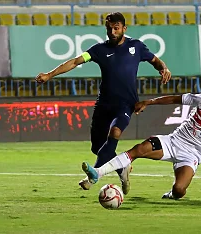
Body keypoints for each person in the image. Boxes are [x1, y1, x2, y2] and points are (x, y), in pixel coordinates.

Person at [35, 12, 171, 195]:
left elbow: (155, 60)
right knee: (97, 147)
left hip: (126, 103)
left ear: (124, 28)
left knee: (114, 133)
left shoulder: (136, 46)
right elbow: (76, 61)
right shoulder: (99, 50)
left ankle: (93, 177)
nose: (112, 32)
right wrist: (50, 74)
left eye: (116, 28)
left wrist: (164, 68)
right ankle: (122, 168)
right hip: (103, 105)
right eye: (109, 28)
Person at [81, 87, 201, 200]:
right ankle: (98, 172)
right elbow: (175, 99)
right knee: (139, 149)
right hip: (173, 141)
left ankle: (171, 195)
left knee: (180, 190)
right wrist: (149, 102)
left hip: (191, 156)